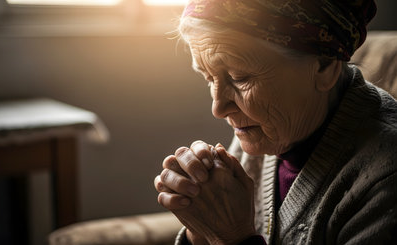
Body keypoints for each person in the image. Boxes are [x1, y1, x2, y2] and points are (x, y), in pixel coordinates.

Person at [153, 0, 397, 244]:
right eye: (208, 77)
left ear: (324, 66)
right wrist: (201, 230)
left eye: (240, 77)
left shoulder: (385, 178)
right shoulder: (271, 129)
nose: (218, 108)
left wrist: (230, 238)